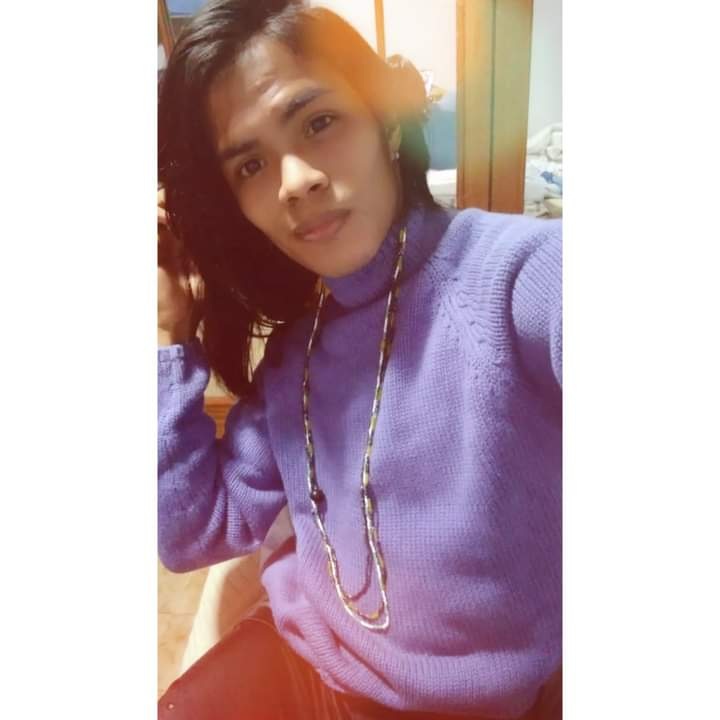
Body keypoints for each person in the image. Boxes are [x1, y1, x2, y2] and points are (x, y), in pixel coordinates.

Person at [157, 0, 562, 717]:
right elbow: (191, 533)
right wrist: (170, 339)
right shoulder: (295, 355)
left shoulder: (511, 277)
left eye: (318, 122)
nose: (294, 181)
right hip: (304, 662)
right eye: (251, 164)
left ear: (384, 118)